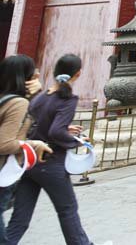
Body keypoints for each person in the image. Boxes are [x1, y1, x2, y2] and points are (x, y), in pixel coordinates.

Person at [7, 54, 96, 245]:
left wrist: (65, 129)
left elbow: (38, 124)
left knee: (20, 219)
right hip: (51, 162)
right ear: (78, 73)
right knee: (67, 210)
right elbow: (56, 131)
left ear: (55, 71)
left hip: (30, 163)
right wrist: (77, 141)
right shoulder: (68, 99)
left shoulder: (42, 97)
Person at [0, 55, 52, 243]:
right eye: (34, 73)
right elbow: (4, 143)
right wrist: (32, 145)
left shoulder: (7, 99)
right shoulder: (18, 103)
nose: (37, 75)